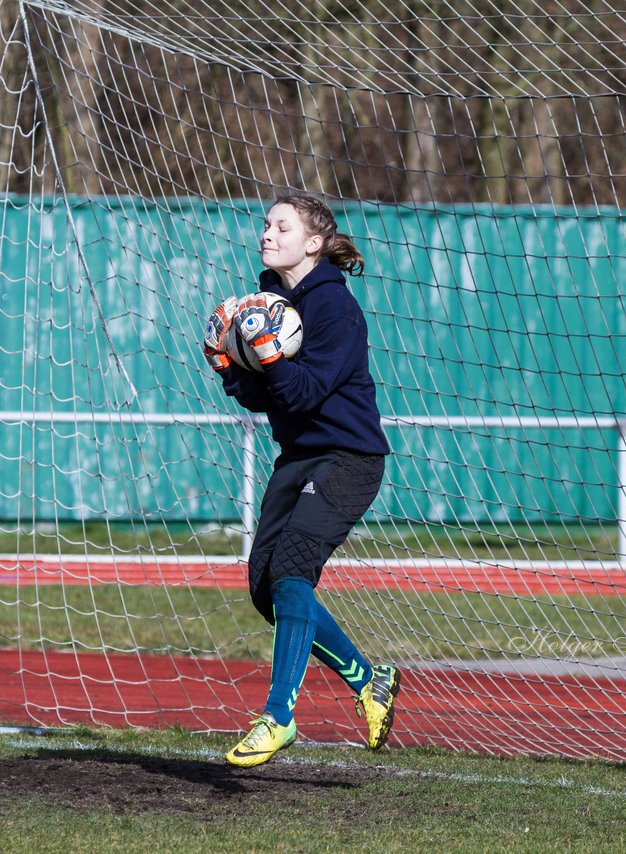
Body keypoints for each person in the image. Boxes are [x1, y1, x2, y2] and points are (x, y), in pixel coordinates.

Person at [202, 192, 400, 768]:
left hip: (349, 459)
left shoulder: (335, 308)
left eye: (281, 226)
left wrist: (266, 356)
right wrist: (231, 368)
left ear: (313, 242)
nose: (267, 233)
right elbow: (269, 396)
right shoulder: (268, 299)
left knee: (293, 571)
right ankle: (369, 680)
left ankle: (279, 718)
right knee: (267, 589)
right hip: (298, 457)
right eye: (266, 223)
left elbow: (308, 390)